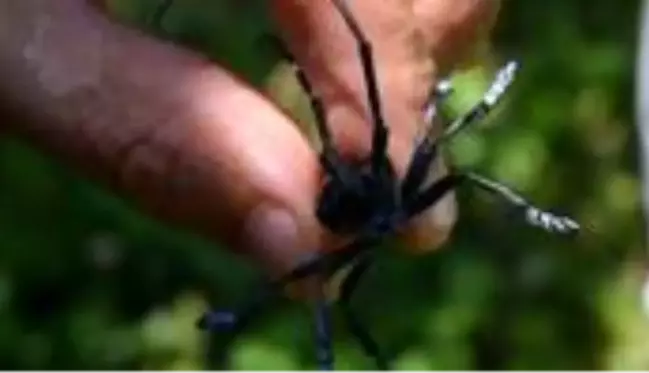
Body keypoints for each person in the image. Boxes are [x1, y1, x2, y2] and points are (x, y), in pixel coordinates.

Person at [0, 0, 500, 282]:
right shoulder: (379, 167)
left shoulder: (388, 190)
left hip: (351, 212)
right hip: (349, 204)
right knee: (367, 85)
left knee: (321, 255)